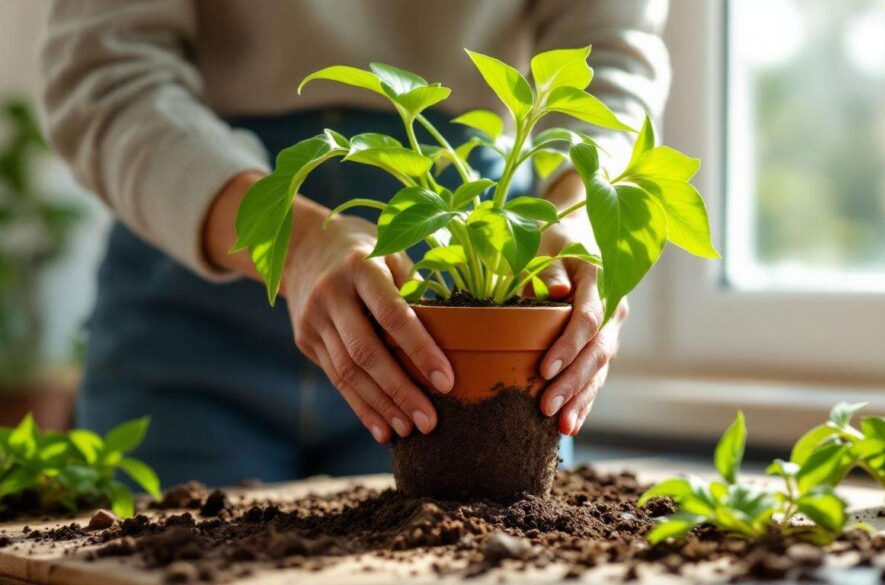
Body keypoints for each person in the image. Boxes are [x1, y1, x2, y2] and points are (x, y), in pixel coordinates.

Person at [40, 0, 670, 487]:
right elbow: (105, 75)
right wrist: (292, 242)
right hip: (192, 272)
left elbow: (613, 61)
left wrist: (580, 224)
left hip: (448, 338)